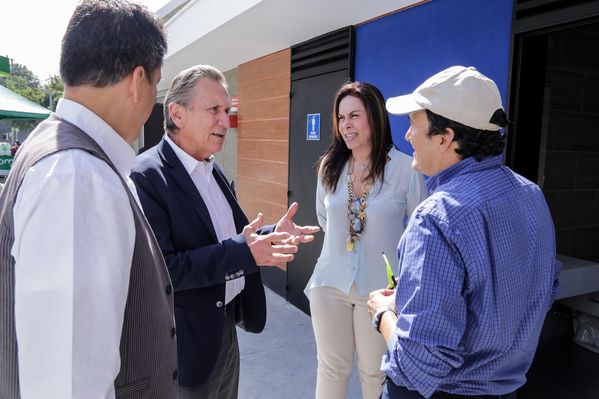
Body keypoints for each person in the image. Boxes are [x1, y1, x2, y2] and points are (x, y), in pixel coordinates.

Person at [0, 1, 177, 398]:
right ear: (136, 81)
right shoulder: (77, 176)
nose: (153, 101)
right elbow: (67, 383)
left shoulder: (66, 158)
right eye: (155, 84)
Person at [367, 66, 561, 399]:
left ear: (445, 138)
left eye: (414, 123)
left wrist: (383, 313)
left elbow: (417, 365)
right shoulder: (531, 195)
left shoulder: (436, 217)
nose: (408, 135)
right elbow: (539, 292)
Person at [130, 64, 320, 399]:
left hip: (226, 331)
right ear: (176, 113)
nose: (225, 121)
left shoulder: (211, 166)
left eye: (227, 110)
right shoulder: (146, 177)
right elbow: (166, 270)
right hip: (186, 346)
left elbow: (225, 236)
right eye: (214, 110)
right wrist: (247, 252)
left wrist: (271, 232)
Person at [304, 82, 428, 399]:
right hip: (329, 283)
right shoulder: (329, 167)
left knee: (374, 374)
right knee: (331, 369)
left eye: (355, 115)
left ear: (374, 118)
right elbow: (323, 216)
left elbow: (418, 230)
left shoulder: (404, 169)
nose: (346, 125)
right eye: (341, 117)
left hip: (380, 292)